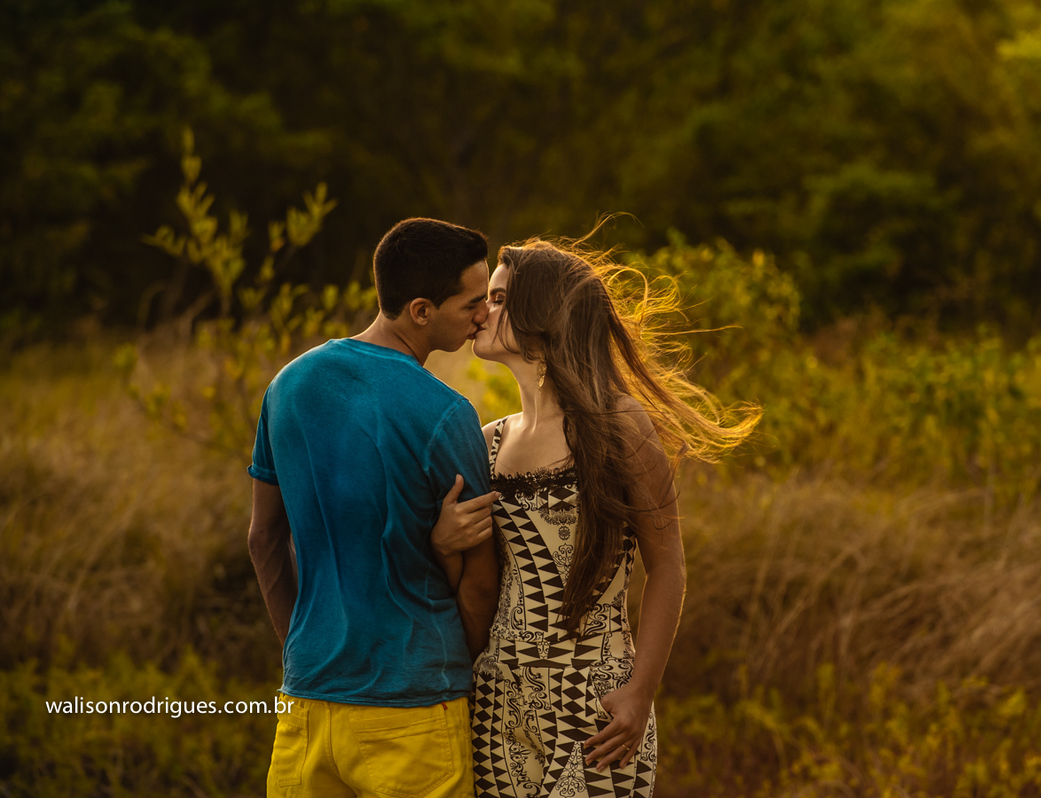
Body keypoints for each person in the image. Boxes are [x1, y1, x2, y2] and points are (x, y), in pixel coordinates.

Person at [463, 238, 758, 798]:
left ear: (540, 316)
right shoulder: (486, 442)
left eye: (499, 299)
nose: (483, 311)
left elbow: (668, 565)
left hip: (595, 706)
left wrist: (641, 691)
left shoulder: (618, 423)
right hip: (498, 706)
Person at [247, 217, 502, 798]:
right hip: (413, 710)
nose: (483, 316)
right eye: (471, 304)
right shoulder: (447, 413)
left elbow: (263, 540)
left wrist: (303, 652)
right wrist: (447, 664)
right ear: (419, 310)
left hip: (308, 707)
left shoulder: (288, 386)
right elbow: (481, 582)